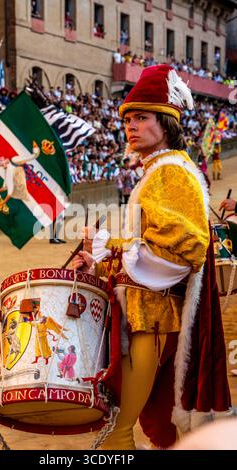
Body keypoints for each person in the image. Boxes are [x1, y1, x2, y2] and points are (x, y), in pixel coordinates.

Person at [72, 64, 232, 449]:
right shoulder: (158, 171)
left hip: (155, 321)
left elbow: (185, 248)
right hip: (145, 320)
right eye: (128, 118)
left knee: (118, 431)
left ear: (166, 123)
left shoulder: (171, 174)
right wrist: (100, 258)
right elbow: (147, 249)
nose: (131, 125)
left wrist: (109, 244)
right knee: (146, 428)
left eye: (142, 118)